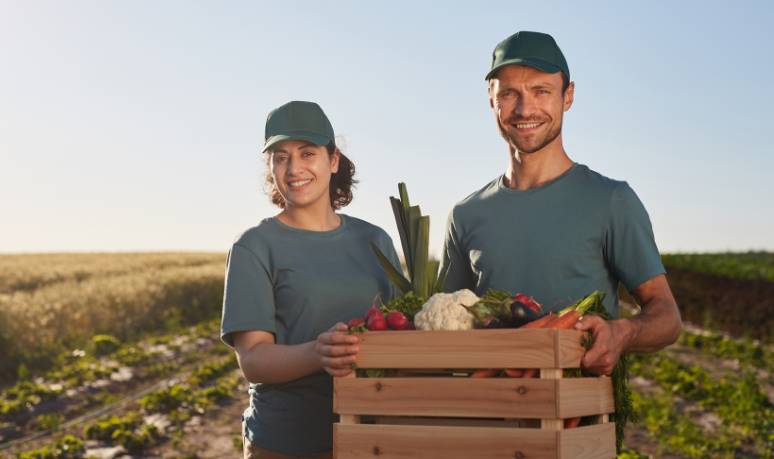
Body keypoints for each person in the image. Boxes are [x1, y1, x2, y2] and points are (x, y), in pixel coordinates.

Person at [442, 31, 682, 375]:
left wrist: (621, 333)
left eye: (541, 91)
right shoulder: (465, 215)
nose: (525, 109)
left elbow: (667, 316)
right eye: (509, 93)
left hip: (578, 406)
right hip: (487, 405)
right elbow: (446, 330)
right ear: (491, 100)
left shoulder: (611, 201)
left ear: (567, 96)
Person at [221, 101, 401, 458]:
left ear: (333, 160)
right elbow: (252, 360)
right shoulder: (254, 246)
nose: (293, 168)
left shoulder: (375, 241)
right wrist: (318, 352)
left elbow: (401, 331)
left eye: (307, 153)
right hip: (286, 442)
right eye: (281, 157)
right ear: (270, 167)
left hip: (372, 436)